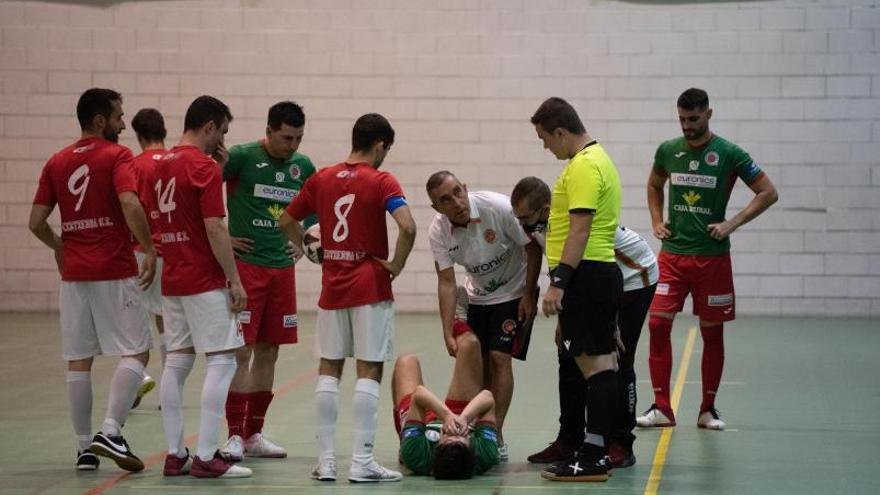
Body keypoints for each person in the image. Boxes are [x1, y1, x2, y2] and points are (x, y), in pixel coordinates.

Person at [279, 113, 416, 483]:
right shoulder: (382, 180)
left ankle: (326, 463)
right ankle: (362, 461)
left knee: (329, 369)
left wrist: (311, 252)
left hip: (333, 285)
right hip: (370, 283)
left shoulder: (321, 177)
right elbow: (408, 226)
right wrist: (396, 265)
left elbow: (286, 222)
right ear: (380, 145)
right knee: (369, 368)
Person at [28, 88, 155, 472]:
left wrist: (59, 247)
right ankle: (111, 431)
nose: (122, 123)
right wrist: (148, 247)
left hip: (75, 274)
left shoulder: (56, 161)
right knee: (136, 351)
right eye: (118, 117)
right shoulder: (117, 155)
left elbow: (35, 222)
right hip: (114, 268)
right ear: (100, 121)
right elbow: (130, 202)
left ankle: (84, 448)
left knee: (78, 361)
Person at [639, 88, 778, 431]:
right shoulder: (668, 151)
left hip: (712, 261)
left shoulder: (729, 153)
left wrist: (732, 223)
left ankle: (707, 409)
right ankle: (661, 408)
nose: (687, 125)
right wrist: (657, 221)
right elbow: (654, 185)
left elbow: (768, 192)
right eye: (682, 119)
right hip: (672, 257)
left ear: (709, 115)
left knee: (711, 333)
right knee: (657, 324)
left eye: (694, 119)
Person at [511, 177, 658, 468]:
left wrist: (611, 323)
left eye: (526, 217)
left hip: (632, 278)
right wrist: (564, 318)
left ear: (546, 208)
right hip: (588, 285)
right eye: (518, 218)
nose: (522, 225)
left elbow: (604, 275)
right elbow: (560, 268)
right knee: (569, 356)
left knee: (617, 358)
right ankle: (569, 439)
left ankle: (620, 442)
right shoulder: (539, 227)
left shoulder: (572, 226)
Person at [154, 95, 251, 478]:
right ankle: (209, 456)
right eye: (221, 132)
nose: (222, 141)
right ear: (209, 126)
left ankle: (176, 453)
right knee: (223, 359)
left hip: (173, 276)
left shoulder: (159, 165)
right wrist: (234, 279)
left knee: (177, 361)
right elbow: (214, 226)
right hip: (203, 278)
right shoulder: (202, 167)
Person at [529, 97, 623, 482]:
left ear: (561, 132)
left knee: (597, 366)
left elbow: (580, 229)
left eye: (544, 138)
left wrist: (557, 284)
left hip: (587, 276)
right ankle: (593, 449)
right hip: (595, 276)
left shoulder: (584, 165)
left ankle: (595, 456)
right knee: (600, 364)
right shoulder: (596, 159)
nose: (545, 146)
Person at [220, 101, 316, 461]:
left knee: (269, 351)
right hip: (246, 268)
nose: (291, 146)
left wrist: (304, 240)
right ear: (270, 131)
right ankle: (232, 435)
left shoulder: (302, 166)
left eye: (298, 139)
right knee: (241, 352)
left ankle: (253, 433)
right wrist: (220, 236)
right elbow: (198, 191)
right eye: (286, 138)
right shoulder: (242, 157)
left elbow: (316, 206)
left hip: (282, 270)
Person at [425, 171, 542, 460]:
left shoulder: (497, 208)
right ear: (437, 208)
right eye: (445, 200)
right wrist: (445, 329)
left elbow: (533, 249)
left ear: (465, 188)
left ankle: (495, 434)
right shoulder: (438, 231)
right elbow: (446, 282)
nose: (455, 202)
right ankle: (480, 424)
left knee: (500, 359)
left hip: (513, 293)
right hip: (477, 297)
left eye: (457, 192)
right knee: (481, 363)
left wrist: (528, 294)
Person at [391, 330, 500, 479]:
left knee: (406, 362)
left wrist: (447, 415)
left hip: (423, 420)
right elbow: (487, 398)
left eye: (448, 435)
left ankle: (405, 437)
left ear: (437, 447)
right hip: (463, 415)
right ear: (471, 447)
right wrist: (465, 418)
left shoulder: (417, 455)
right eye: (461, 436)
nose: (453, 430)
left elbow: (419, 394)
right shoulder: (485, 454)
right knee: (470, 344)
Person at [129, 107, 168, 409]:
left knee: (132, 317)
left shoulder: (133, 165)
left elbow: (130, 207)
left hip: (144, 250)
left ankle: (137, 376)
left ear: (139, 136)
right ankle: (169, 383)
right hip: (174, 250)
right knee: (165, 318)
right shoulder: (176, 163)